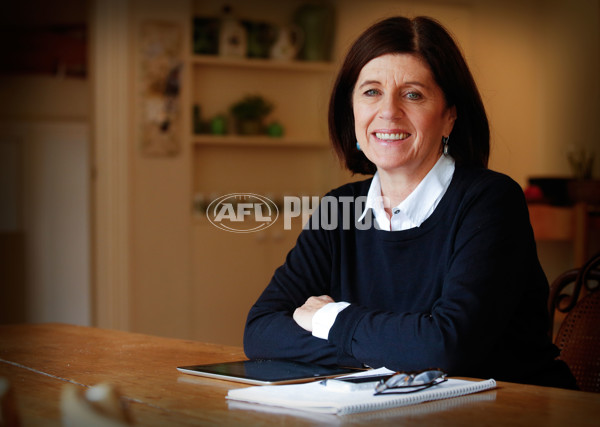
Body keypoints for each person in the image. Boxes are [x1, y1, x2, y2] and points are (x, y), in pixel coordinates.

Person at [243, 16, 576, 389]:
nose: (388, 111)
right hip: (394, 407)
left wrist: (330, 320)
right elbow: (261, 332)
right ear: (350, 109)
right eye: (371, 92)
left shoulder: (490, 201)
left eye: (413, 94)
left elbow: (446, 348)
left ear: (450, 115)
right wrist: (397, 349)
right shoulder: (339, 209)